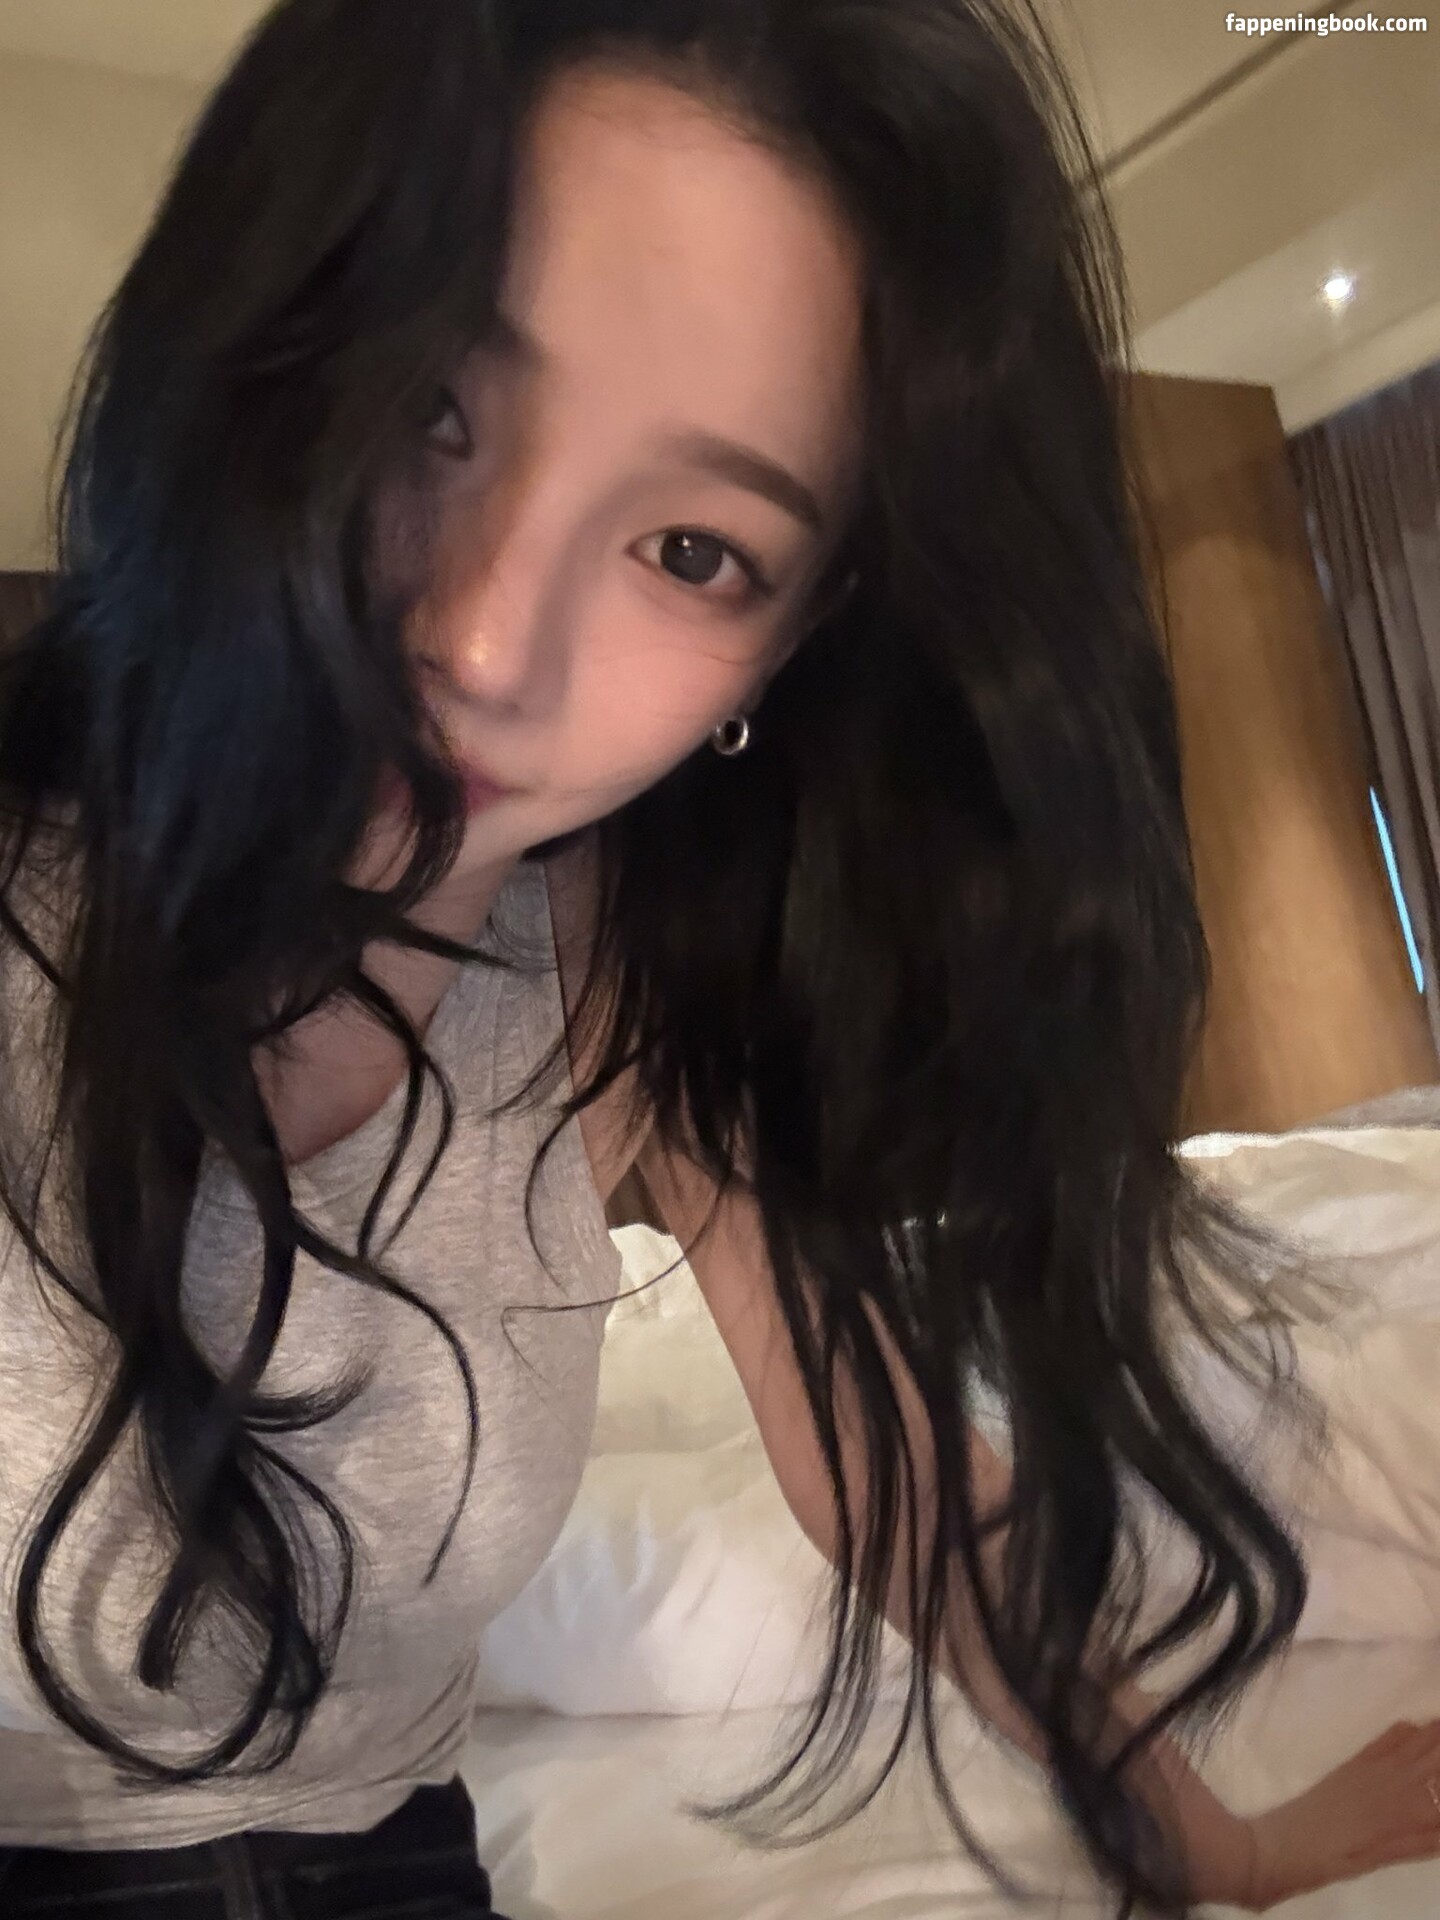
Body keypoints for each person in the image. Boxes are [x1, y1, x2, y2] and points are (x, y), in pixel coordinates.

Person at [0, 1, 1437, 1915]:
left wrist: (1226, 1851)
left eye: (694, 551)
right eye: (434, 409)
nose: (488, 642)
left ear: (786, 647)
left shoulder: (606, 968)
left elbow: (898, 1484)